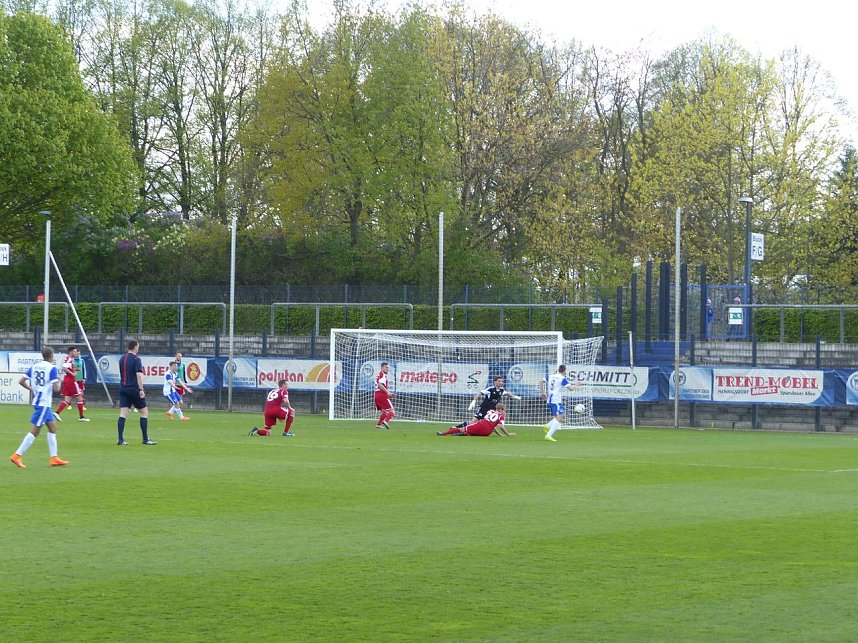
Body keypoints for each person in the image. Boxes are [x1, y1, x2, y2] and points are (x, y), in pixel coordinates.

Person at [9, 345, 69, 468]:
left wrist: (32, 389)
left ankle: (54, 458)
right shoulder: (52, 369)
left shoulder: (35, 366)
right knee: (35, 430)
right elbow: (56, 389)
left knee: (53, 428)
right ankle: (17, 455)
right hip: (43, 403)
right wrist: (59, 380)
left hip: (40, 402)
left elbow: (21, 381)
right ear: (51, 356)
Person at [117, 340, 157, 446]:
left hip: (123, 388)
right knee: (144, 412)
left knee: (123, 414)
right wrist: (141, 390)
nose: (138, 348)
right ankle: (145, 439)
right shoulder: (136, 359)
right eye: (138, 346)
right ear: (135, 347)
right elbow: (138, 375)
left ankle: (120, 439)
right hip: (133, 389)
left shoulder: (122, 358)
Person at [453, 375, 521, 429]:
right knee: (472, 422)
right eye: (499, 381)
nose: (501, 382)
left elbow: (507, 394)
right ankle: (457, 428)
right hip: (484, 408)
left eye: (502, 381)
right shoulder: (490, 389)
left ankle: (499, 426)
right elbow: (480, 393)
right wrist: (473, 401)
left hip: (492, 410)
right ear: (495, 382)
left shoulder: (501, 390)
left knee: (496, 418)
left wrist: (514, 397)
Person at [539, 365, 578, 442]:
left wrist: (543, 392)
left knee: (562, 416)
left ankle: (547, 426)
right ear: (565, 370)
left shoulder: (551, 376)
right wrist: (577, 384)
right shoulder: (562, 378)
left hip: (551, 400)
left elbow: (540, 381)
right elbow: (571, 389)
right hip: (555, 400)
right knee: (559, 418)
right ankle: (548, 436)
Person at [54, 346, 89, 421]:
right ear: (71, 352)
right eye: (74, 351)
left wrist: (75, 369)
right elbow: (64, 368)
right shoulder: (69, 358)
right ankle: (81, 417)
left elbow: (67, 367)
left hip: (67, 381)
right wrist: (72, 373)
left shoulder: (69, 359)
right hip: (71, 381)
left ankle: (57, 413)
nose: (76, 353)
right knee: (80, 397)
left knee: (67, 399)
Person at [436, 404, 514, 437]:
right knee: (474, 432)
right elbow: (496, 426)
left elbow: (491, 423)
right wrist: (505, 434)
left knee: (462, 429)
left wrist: (504, 434)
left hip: (481, 425)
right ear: (502, 409)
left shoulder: (490, 411)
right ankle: (464, 434)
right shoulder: (502, 416)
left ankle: (443, 433)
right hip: (487, 433)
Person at [374, 361, 395, 429]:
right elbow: (380, 384)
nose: (387, 369)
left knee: (385, 412)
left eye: (388, 367)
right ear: (382, 367)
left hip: (377, 395)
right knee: (392, 412)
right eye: (386, 367)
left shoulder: (379, 374)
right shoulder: (382, 374)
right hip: (381, 395)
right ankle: (386, 421)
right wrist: (388, 392)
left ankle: (379, 424)